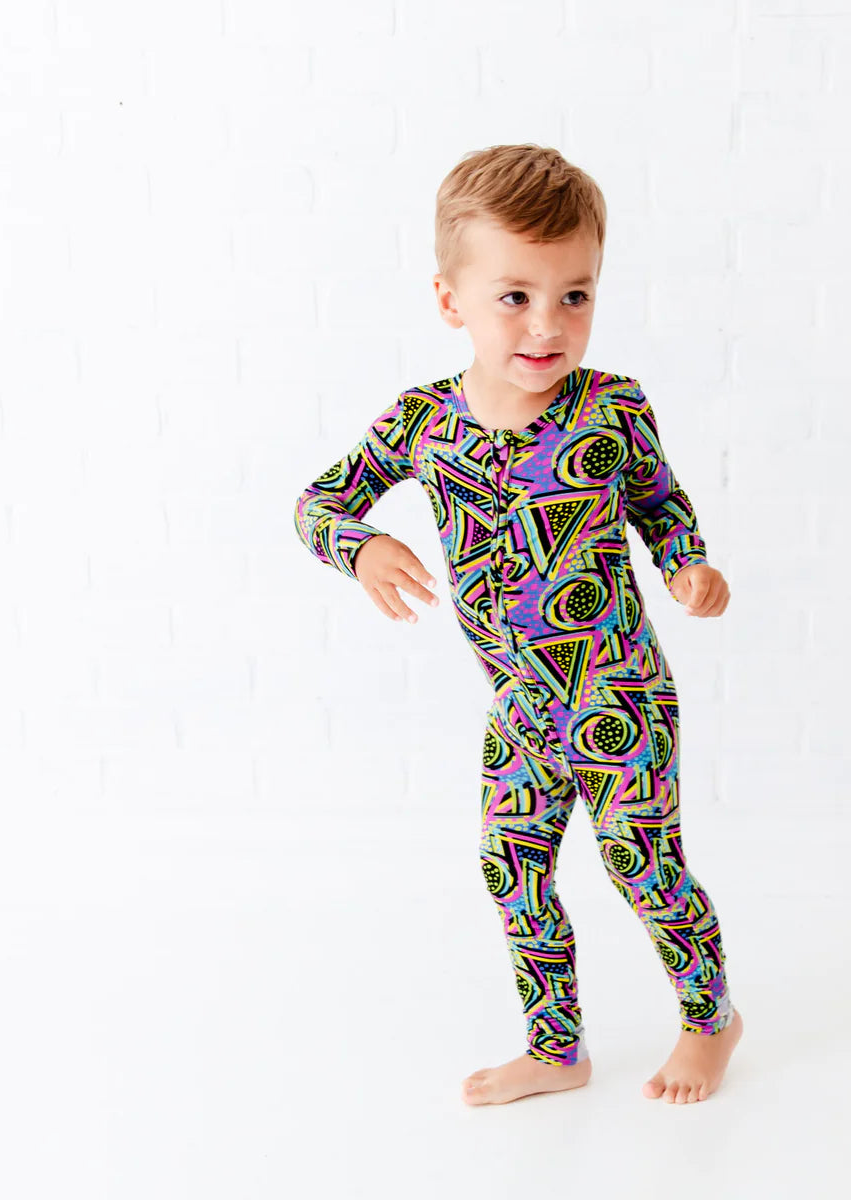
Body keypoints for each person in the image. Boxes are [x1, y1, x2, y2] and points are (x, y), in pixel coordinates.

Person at [293, 143, 743, 1106]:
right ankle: (556, 1049)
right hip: (523, 707)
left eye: (575, 295)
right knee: (512, 870)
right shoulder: (423, 422)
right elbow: (319, 503)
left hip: (618, 695)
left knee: (643, 868)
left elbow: (662, 505)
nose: (548, 324)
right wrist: (360, 547)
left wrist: (688, 567)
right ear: (450, 299)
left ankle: (711, 1020)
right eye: (515, 297)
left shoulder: (611, 407)